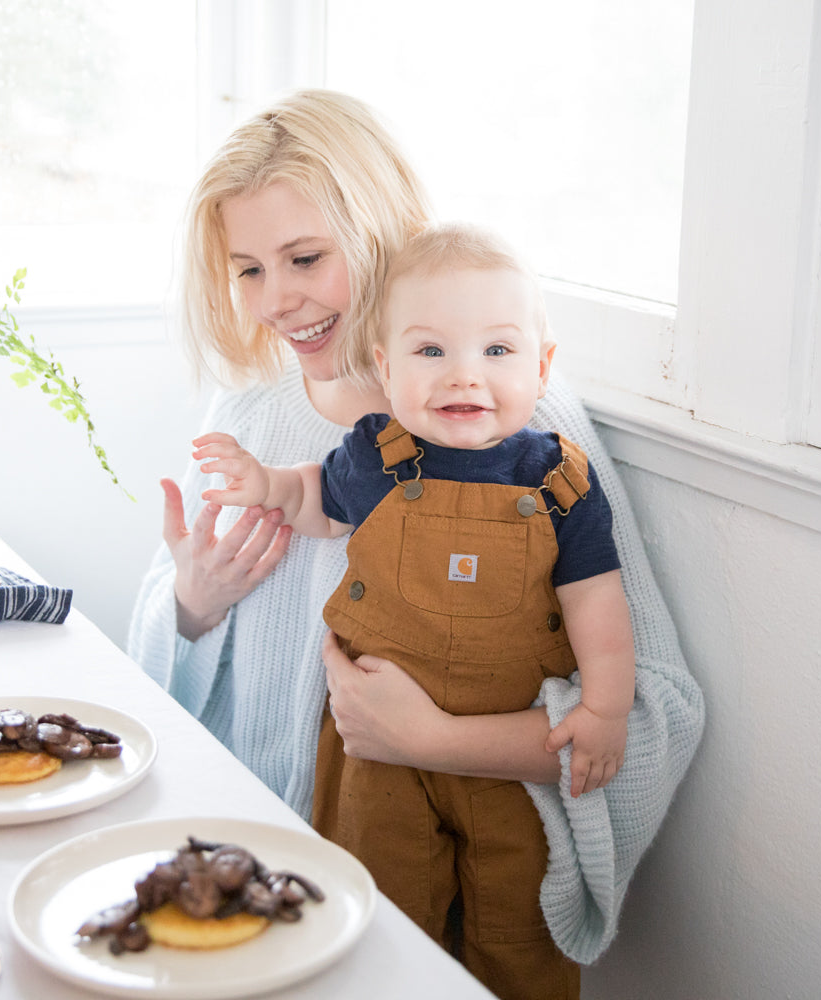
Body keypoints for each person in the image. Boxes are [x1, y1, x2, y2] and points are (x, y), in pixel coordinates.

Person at [127, 89, 704, 995]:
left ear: (383, 231)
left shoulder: (524, 434)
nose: (278, 300)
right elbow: (157, 676)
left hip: (451, 905)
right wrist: (193, 604)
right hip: (259, 888)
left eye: (306, 257)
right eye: (247, 270)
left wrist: (433, 740)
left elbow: (653, 709)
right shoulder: (248, 417)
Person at [192, 222, 635, 997]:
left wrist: (604, 709)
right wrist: (262, 483)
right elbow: (312, 500)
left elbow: (596, 602)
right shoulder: (376, 456)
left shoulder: (560, 481)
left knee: (517, 921)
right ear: (385, 365)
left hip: (502, 768)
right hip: (373, 761)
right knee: (379, 906)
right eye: (431, 352)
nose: (464, 376)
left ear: (543, 365)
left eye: (497, 352)